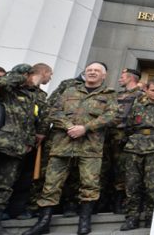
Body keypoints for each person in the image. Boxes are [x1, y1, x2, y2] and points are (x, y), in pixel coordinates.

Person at [25, 62, 118, 235]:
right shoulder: (69, 90)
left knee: (89, 185)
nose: (92, 73)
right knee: (51, 184)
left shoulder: (110, 94)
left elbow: (112, 116)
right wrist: (69, 126)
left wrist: (85, 128)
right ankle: (43, 221)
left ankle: (84, 221)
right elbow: (54, 111)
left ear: (104, 75)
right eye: (89, 70)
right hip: (63, 144)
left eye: (96, 71)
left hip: (90, 147)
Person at [0, 63, 51, 234]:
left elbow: (31, 122)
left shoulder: (33, 96)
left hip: (18, 148)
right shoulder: (7, 92)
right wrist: (24, 75)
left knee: (4, 186)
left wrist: (31, 141)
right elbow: (0, 83)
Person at [119, 77, 154, 231]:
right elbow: (129, 124)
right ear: (146, 89)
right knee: (132, 184)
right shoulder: (137, 104)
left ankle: (152, 217)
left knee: (153, 185)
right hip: (135, 146)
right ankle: (132, 218)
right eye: (153, 90)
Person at [105, 68, 143, 214]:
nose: (119, 79)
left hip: (125, 138)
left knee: (123, 171)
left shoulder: (140, 96)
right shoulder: (117, 95)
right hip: (110, 137)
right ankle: (106, 201)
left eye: (122, 77)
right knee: (109, 169)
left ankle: (121, 202)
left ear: (131, 78)